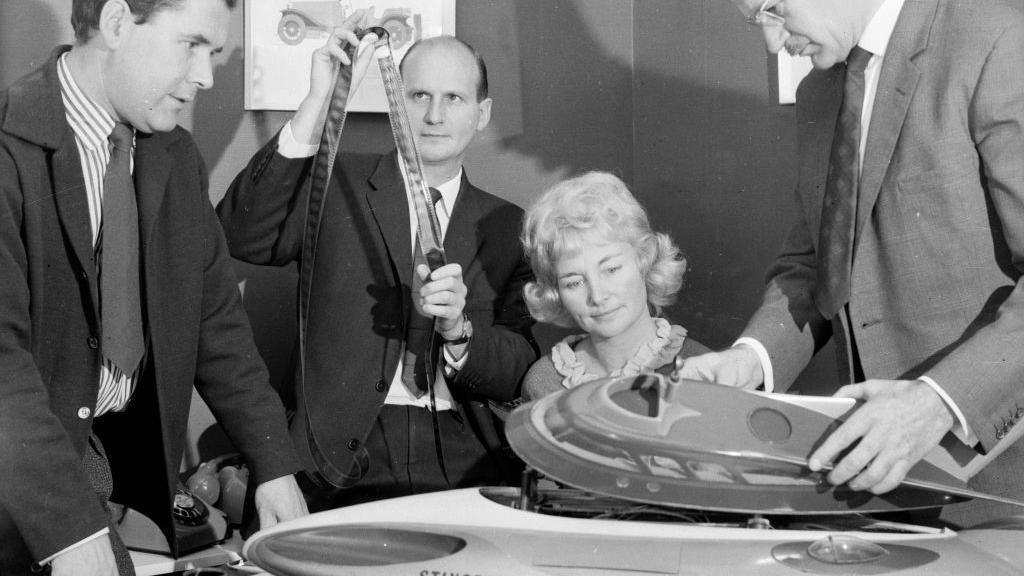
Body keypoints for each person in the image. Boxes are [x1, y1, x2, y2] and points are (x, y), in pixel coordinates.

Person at [681, 0, 1024, 526]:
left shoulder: (997, 42)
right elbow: (816, 263)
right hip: (888, 495)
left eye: (773, 9)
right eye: (756, 22)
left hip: (1006, 487)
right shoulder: (819, 92)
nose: (773, 44)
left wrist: (937, 404)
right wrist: (751, 361)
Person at [0, 1, 310, 574]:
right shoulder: (6, 146)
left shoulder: (174, 156)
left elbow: (217, 324)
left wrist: (274, 463)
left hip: (107, 477)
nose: (205, 76)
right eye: (190, 45)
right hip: (23, 487)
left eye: (213, 53)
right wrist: (69, 532)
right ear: (117, 22)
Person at [217, 23, 538, 509]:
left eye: (454, 98)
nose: (433, 115)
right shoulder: (336, 183)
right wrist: (316, 104)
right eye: (418, 95)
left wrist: (459, 333)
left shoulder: (510, 226)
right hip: (334, 459)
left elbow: (519, 365)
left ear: (481, 113)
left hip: (464, 460)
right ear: (393, 100)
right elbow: (243, 235)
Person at [519, 172, 708, 400]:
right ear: (555, 293)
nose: (597, 296)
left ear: (644, 259)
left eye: (611, 269)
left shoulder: (700, 369)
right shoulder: (544, 382)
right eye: (574, 282)